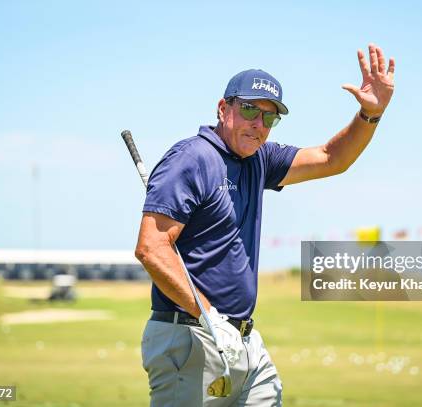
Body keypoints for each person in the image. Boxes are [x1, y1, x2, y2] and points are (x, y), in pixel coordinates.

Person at [135, 43, 395, 406]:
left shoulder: (259, 159)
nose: (258, 124)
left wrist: (369, 115)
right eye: (249, 109)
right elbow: (152, 248)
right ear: (223, 108)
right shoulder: (192, 158)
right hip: (191, 338)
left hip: (241, 339)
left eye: (269, 117)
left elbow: (331, 158)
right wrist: (209, 318)